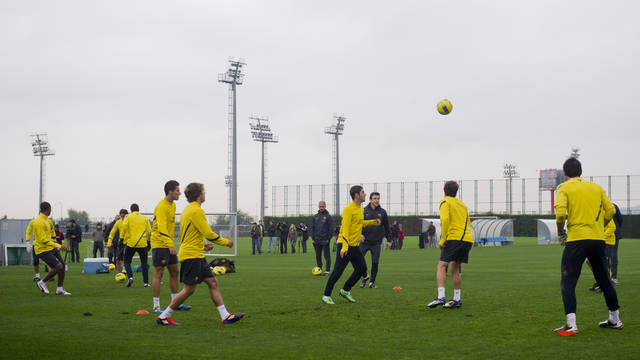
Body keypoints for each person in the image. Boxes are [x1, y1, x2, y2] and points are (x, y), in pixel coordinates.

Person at [156, 182, 244, 326]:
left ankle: (225, 316)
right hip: (192, 256)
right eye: (203, 191)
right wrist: (225, 242)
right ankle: (164, 316)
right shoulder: (196, 211)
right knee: (189, 289)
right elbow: (208, 233)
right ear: (198, 195)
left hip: (196, 253)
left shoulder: (188, 210)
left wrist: (202, 246)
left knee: (213, 282)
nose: (205, 194)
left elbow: (189, 234)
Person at [553, 157, 622, 335]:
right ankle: (614, 318)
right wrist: (602, 226)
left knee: (568, 282)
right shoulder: (596, 187)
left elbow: (560, 214)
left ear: (565, 173)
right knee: (604, 279)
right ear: (581, 172)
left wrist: (561, 233)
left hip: (576, 239)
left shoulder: (564, 187)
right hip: (598, 239)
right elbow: (611, 210)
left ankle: (571, 324)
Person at [322, 186, 380, 304]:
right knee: (337, 272)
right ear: (357, 195)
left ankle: (345, 290)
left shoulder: (360, 208)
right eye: (363, 192)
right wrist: (344, 247)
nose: (365, 194)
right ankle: (326, 295)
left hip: (354, 246)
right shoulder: (348, 209)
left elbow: (360, 223)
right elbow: (345, 229)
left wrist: (372, 222)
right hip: (345, 246)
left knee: (362, 269)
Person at [427, 181, 473, 309]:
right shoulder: (462, 204)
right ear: (456, 191)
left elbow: (445, 220)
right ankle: (457, 299)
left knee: (442, 265)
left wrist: (443, 239)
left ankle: (441, 296)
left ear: (444, 190)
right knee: (455, 267)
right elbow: (468, 222)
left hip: (454, 238)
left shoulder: (445, 202)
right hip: (467, 239)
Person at [151, 180, 191, 313]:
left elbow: (170, 227)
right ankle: (156, 306)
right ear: (170, 191)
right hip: (160, 244)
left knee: (175, 271)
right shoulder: (161, 206)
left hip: (169, 244)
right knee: (159, 272)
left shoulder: (172, 205)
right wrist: (169, 245)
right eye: (178, 191)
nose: (180, 193)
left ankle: (176, 303)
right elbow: (161, 228)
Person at [28, 202, 70, 295]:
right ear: (48, 209)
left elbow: (51, 235)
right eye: (51, 209)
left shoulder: (48, 220)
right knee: (58, 266)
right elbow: (43, 240)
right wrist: (59, 246)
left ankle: (59, 289)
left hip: (50, 247)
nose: (51, 211)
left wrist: (54, 242)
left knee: (62, 267)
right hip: (42, 249)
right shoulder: (39, 222)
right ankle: (42, 282)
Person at [359, 192, 390, 289]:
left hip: (376, 243)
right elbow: (358, 225)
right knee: (359, 262)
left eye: (378, 199)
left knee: (375, 263)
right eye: (374, 199)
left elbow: (387, 227)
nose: (376, 200)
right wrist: (360, 234)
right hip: (364, 242)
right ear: (370, 200)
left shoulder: (383, 212)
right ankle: (364, 277)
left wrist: (389, 240)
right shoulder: (363, 211)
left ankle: (372, 282)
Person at [121, 204, 151, 287]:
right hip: (142, 243)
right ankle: (146, 283)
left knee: (127, 261)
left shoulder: (128, 216)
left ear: (131, 210)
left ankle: (130, 277)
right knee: (144, 263)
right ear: (139, 210)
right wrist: (148, 242)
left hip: (131, 243)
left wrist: (121, 238)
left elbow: (124, 227)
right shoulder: (144, 218)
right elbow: (149, 231)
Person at [312, 201, 333, 275]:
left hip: (325, 240)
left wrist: (328, 239)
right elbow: (313, 228)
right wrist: (313, 239)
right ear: (318, 206)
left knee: (326, 255)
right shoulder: (315, 216)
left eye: (322, 206)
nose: (321, 208)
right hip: (316, 240)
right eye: (320, 206)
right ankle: (319, 269)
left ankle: (327, 270)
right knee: (318, 256)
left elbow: (331, 229)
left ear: (325, 206)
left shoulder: (328, 216)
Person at [609, 203, 623, 285]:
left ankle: (613, 277)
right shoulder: (595, 205)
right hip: (600, 234)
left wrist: (616, 228)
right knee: (604, 257)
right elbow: (620, 219)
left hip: (613, 234)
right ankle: (606, 277)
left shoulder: (612, 206)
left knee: (613, 255)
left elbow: (620, 219)